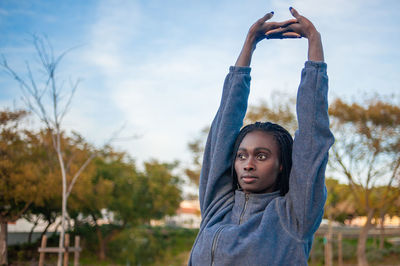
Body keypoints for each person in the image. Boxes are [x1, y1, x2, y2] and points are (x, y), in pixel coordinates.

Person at [188, 7, 335, 265]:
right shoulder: (217, 206)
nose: (248, 163)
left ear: (281, 165)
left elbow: (313, 139)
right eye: (242, 155)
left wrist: (314, 41)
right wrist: (249, 46)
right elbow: (223, 127)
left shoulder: (292, 218)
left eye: (262, 156)